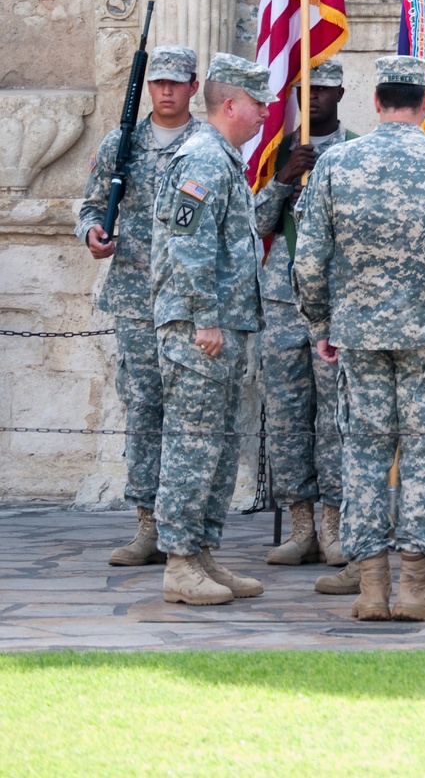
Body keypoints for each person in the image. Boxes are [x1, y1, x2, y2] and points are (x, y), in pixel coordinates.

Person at [293, 55, 425, 622]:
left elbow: (308, 260)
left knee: (362, 455)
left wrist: (319, 323)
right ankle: (416, 587)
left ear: (377, 104)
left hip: (358, 336)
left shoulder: (338, 163)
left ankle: (372, 588)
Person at [150, 52, 276, 606]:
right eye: (259, 103)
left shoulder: (223, 159)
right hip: (200, 332)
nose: (267, 113)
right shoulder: (202, 158)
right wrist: (206, 318)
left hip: (222, 330)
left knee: (219, 450)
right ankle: (179, 563)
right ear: (231, 104)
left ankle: (201, 553)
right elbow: (188, 244)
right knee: (192, 446)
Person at [77, 45, 201, 567]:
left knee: (190, 415)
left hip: (191, 304)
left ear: (194, 86)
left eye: (176, 82)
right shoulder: (119, 144)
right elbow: (88, 205)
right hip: (134, 299)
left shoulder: (207, 145)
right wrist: (92, 233)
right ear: (147, 87)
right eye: (158, 82)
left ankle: (186, 529)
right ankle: (147, 525)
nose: (166, 91)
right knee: (145, 412)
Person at [254, 57, 357, 571]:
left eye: (325, 89)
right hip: (281, 301)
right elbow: (251, 225)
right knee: (289, 419)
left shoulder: (358, 152)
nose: (314, 97)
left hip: (337, 304)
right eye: (306, 89)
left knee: (336, 420)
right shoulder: (275, 149)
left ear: (341, 95)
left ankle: (334, 524)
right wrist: (282, 179)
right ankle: (300, 525)